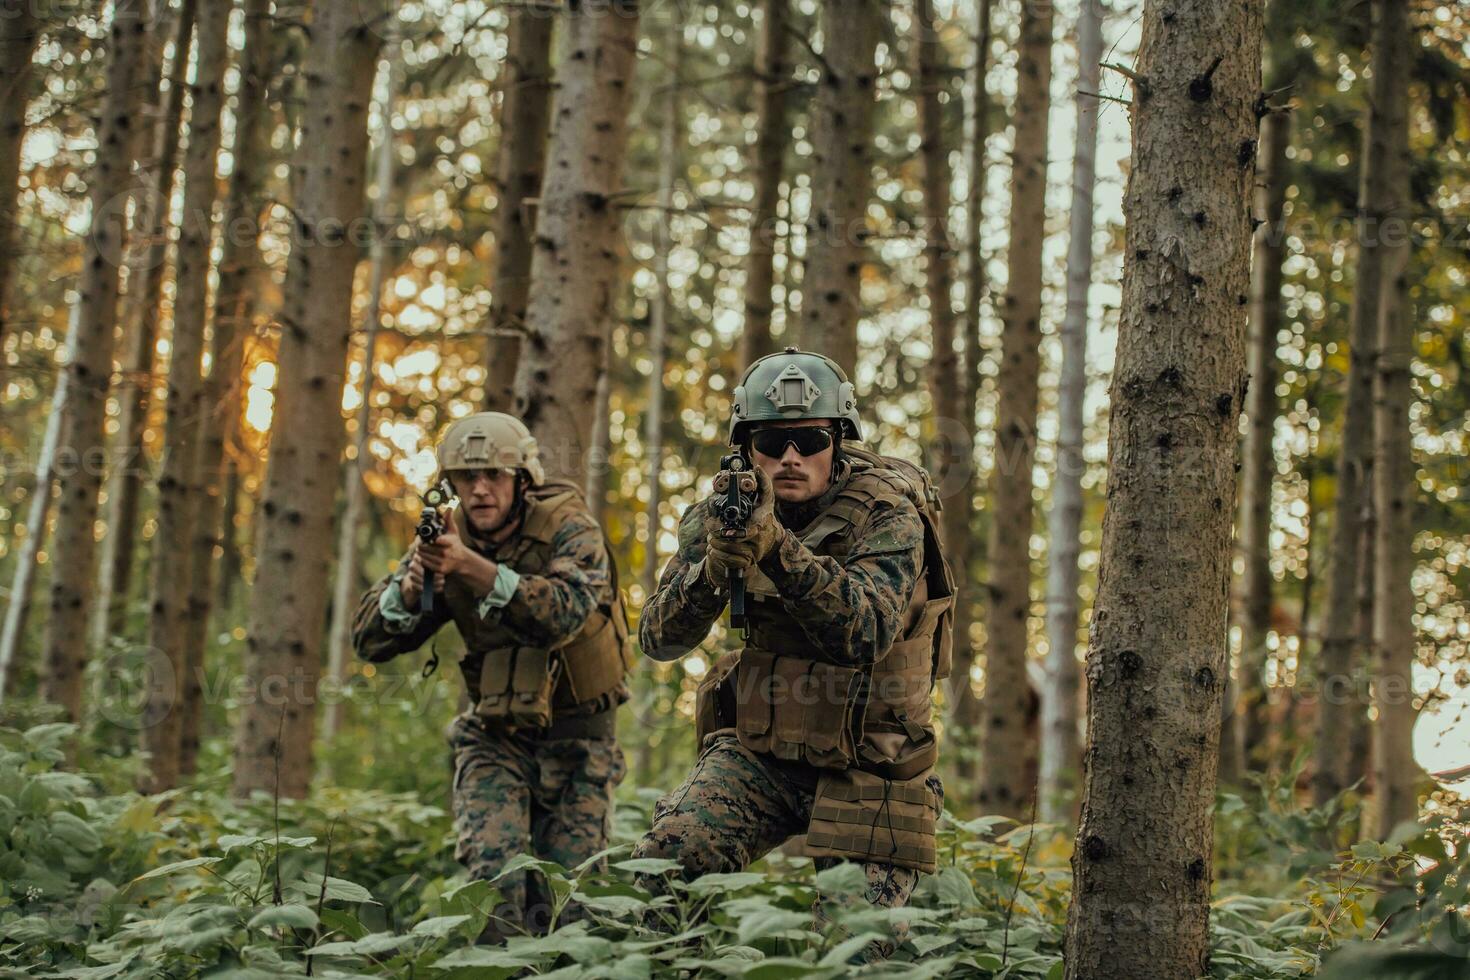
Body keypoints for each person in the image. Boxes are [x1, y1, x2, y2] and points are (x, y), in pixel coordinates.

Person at [633, 347, 954, 955]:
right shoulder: (721, 514)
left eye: (808, 439)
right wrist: (712, 572)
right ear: (744, 447)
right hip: (767, 751)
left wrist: (777, 550)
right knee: (659, 874)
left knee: (856, 950)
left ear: (837, 440)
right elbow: (658, 640)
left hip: (874, 760)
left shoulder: (887, 511)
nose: (789, 457)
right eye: (771, 440)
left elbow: (864, 635)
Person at [352, 412, 634, 939]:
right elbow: (367, 640)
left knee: (568, 905)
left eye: (494, 476)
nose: (480, 489)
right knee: (495, 886)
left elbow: (565, 612)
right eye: (465, 477)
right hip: (494, 736)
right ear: (450, 484)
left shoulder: (568, 526)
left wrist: (470, 569)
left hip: (580, 740)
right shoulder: (446, 541)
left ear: (523, 479)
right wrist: (412, 590)